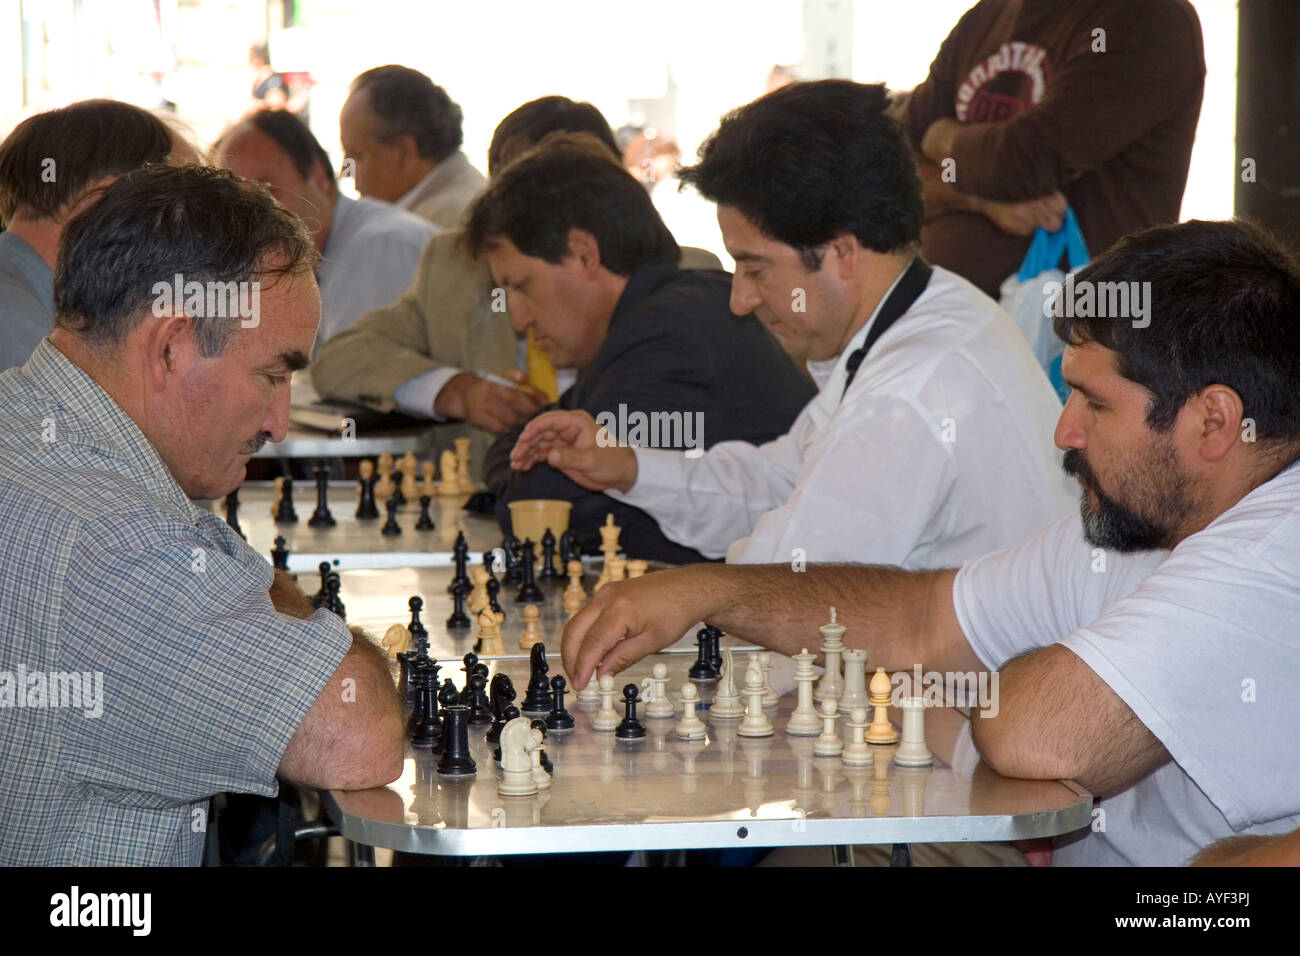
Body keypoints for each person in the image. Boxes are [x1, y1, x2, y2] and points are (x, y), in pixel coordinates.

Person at [562, 219, 1300, 867]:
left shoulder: (1271, 546)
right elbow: (922, 620)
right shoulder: (1139, 521)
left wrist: (950, 698)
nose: (1064, 432)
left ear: (1213, 422)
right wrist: (707, 593)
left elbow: (1037, 734)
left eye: (1096, 405)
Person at [0, 164, 403, 865]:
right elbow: (360, 735)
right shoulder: (114, 547)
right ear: (171, 346)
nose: (280, 422)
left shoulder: (22, 417)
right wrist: (254, 588)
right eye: (273, 374)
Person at [512, 80, 1073, 568]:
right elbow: (779, 482)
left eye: (755, 267)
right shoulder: (923, 313)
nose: (740, 299)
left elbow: (794, 582)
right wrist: (626, 466)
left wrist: (677, 597)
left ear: (842, 253)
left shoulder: (912, 386)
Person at [311, 95, 716, 483]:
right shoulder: (457, 268)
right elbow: (341, 358)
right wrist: (459, 391)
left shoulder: (688, 281)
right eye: (522, 196)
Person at [466, 133, 815, 562]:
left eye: (522, 286)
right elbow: (529, 449)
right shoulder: (655, 319)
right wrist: (519, 460)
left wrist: (515, 466)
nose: (519, 320)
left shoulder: (668, 333)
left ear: (583, 255)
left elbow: (543, 502)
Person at [902, 0, 1205, 297]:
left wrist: (942, 139)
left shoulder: (1149, 18)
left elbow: (1021, 162)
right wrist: (979, 202)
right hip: (946, 316)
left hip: (1087, 331)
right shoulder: (986, 15)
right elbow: (891, 166)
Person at [214, 108, 435, 346]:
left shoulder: (380, 246)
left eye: (267, 192)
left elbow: (355, 374)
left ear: (319, 177)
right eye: (235, 203)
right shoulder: (311, 257)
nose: (250, 217)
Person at [0, 99, 183, 371]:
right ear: (102, 201)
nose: (189, 238)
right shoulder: (17, 321)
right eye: (180, 212)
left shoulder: (29, 305)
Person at [340, 65, 486, 229]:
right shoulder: (458, 204)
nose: (346, 172)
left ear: (404, 153)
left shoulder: (433, 231)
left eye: (357, 156)